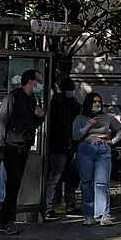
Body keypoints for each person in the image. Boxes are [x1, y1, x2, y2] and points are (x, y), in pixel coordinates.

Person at [0, 69, 43, 233]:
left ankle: (6, 220)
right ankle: (6, 221)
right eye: (38, 81)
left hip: (23, 146)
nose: (40, 85)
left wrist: (40, 117)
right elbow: (1, 121)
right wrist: (1, 146)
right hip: (11, 147)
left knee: (15, 183)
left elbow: (32, 124)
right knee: (13, 184)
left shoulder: (33, 99)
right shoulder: (13, 97)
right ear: (30, 81)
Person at [70, 91, 121, 225]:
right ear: (89, 103)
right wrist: (88, 125)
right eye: (94, 102)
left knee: (101, 182)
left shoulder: (107, 117)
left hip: (103, 150)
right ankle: (89, 214)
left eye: (99, 102)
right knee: (86, 182)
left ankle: (103, 214)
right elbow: (75, 136)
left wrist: (112, 141)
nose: (97, 104)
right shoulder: (80, 118)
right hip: (86, 149)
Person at [43, 77, 82, 217]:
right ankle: (55, 206)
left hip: (62, 145)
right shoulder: (63, 104)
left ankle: (52, 206)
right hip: (63, 145)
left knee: (64, 177)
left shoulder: (62, 103)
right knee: (59, 177)